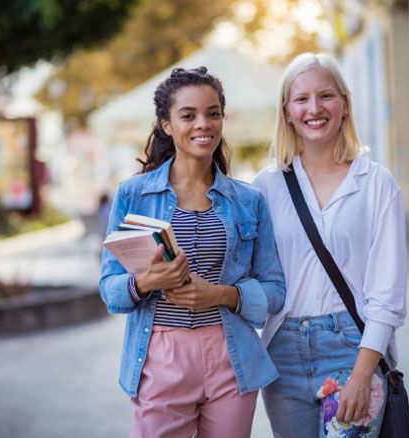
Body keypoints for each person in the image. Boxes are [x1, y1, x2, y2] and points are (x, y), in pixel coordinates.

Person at [99, 67, 285, 438]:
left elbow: (275, 291)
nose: (204, 124)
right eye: (188, 115)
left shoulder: (249, 200)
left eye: (213, 113)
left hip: (230, 356)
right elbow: (110, 290)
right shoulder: (133, 195)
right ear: (166, 124)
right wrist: (146, 281)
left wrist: (222, 294)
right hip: (160, 355)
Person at [252, 53, 408, 437]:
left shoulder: (376, 184)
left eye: (326, 96)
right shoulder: (265, 187)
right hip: (282, 351)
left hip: (353, 348)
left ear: (344, 104)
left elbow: (387, 293)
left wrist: (363, 371)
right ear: (286, 111)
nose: (314, 108)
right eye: (301, 99)